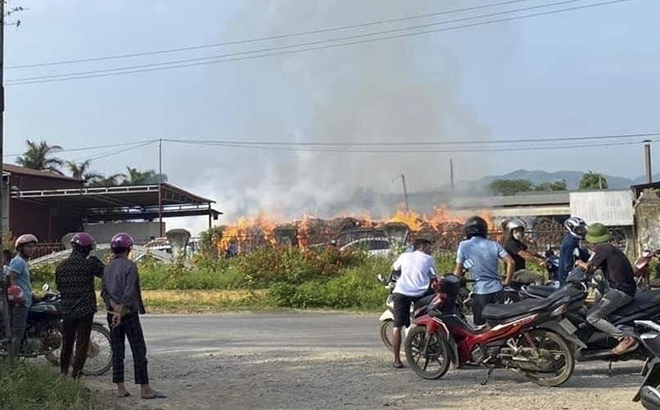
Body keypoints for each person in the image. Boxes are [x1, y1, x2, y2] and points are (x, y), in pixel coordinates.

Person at [102, 233, 166, 400]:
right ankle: (145, 389)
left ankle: (120, 388)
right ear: (129, 249)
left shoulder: (107, 267)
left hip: (112, 314)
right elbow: (129, 292)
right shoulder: (130, 266)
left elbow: (104, 292)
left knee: (118, 351)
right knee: (139, 350)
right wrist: (122, 311)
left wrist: (115, 309)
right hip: (128, 315)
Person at [576, 223, 638, 355]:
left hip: (620, 291)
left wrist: (579, 262)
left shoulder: (602, 248)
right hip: (624, 288)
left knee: (592, 317)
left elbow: (589, 267)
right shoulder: (610, 248)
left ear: (592, 240)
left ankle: (625, 339)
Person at [55, 232, 105, 379]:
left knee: (67, 342)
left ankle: (63, 373)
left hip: (67, 310)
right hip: (85, 310)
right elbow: (105, 272)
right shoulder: (89, 264)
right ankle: (76, 376)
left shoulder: (61, 267)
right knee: (82, 343)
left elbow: (59, 287)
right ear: (85, 248)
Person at [454, 216, 515, 326]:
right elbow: (511, 262)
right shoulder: (494, 244)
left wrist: (453, 282)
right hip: (497, 289)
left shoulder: (464, 245)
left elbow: (458, 269)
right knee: (498, 325)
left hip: (480, 291)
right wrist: (507, 281)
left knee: (480, 326)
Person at [390, 238, 437, 369]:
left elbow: (393, 267)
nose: (430, 250)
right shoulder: (429, 259)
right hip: (420, 295)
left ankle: (397, 360)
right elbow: (434, 277)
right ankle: (428, 351)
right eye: (429, 247)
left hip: (401, 292)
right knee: (426, 320)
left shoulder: (404, 256)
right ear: (422, 247)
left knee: (397, 326)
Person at [5, 234, 38, 354]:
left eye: (33, 247)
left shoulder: (23, 262)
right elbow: (10, 277)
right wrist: (17, 295)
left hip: (25, 301)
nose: (32, 249)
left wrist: (32, 295)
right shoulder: (18, 261)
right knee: (17, 333)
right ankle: (14, 363)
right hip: (20, 304)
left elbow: (22, 282)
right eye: (28, 247)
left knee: (21, 332)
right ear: (20, 248)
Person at [502, 218, 545, 285]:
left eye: (520, 231)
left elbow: (529, 251)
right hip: (515, 273)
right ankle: (536, 295)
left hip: (520, 271)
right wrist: (538, 262)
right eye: (516, 231)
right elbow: (524, 254)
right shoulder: (510, 243)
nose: (518, 233)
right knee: (539, 277)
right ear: (511, 232)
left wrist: (543, 257)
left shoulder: (517, 242)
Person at [558, 217, 590, 286]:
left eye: (583, 228)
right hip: (566, 278)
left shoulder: (574, 240)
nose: (583, 231)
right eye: (579, 229)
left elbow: (580, 253)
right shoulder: (570, 242)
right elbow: (568, 264)